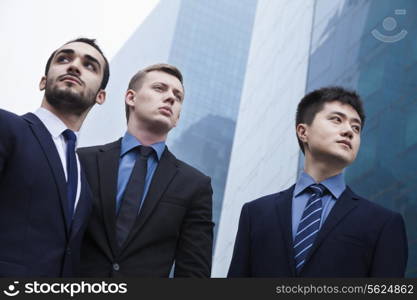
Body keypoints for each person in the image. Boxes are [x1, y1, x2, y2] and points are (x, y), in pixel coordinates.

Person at [228, 86, 408, 277]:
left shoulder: (383, 223)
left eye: (356, 127)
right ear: (303, 132)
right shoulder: (255, 213)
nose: (349, 131)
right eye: (336, 120)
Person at [78, 63, 213, 277]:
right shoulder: (83, 161)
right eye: (160, 88)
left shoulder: (195, 185)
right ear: (131, 98)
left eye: (177, 97)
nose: (170, 98)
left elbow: (194, 270)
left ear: (177, 117)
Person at [0, 38, 109, 276]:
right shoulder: (6, 127)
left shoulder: (83, 175)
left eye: (90, 65)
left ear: (100, 96)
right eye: (64, 59)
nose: (74, 66)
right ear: (43, 81)